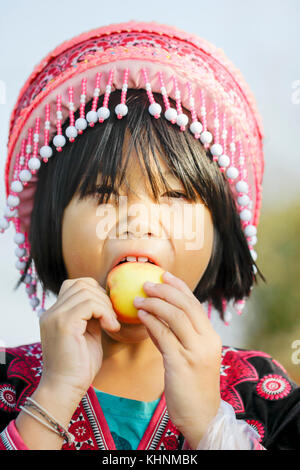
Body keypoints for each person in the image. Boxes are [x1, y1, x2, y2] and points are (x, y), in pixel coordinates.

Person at [0, 21, 299, 451]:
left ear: (220, 232)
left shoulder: (264, 396)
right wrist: (51, 401)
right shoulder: (9, 385)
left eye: (175, 195)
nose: (137, 222)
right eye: (103, 194)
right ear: (51, 225)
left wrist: (210, 428)